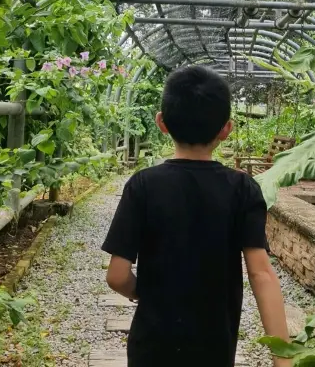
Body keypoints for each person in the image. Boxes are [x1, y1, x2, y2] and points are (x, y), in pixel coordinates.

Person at [102, 65, 291, 367]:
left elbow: (117, 276)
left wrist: (142, 293)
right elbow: (261, 274)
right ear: (226, 130)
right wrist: (283, 358)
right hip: (213, 346)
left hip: (151, 346)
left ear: (161, 123)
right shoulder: (242, 189)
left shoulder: (142, 185)